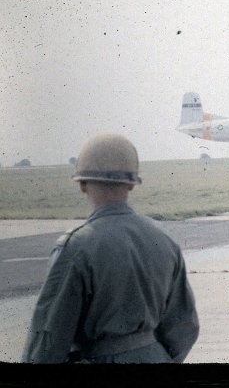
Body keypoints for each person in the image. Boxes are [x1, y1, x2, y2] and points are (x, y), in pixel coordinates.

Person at [22, 134, 199, 363]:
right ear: (132, 185)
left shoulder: (76, 247)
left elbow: (48, 337)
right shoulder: (163, 240)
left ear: (82, 184)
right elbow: (185, 328)